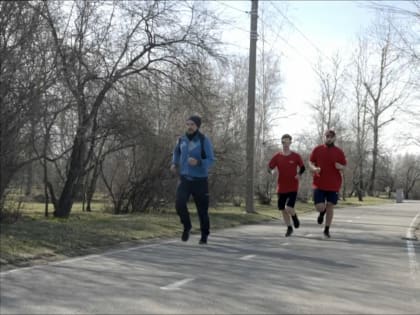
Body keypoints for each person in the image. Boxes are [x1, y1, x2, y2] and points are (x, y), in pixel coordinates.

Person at [170, 115, 215, 244]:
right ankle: (187, 226)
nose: (189, 127)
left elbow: (211, 159)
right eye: (188, 124)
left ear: (197, 126)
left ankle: (204, 235)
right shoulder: (181, 139)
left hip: (200, 180)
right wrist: (174, 163)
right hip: (185, 178)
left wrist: (199, 162)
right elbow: (176, 152)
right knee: (179, 204)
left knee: (202, 210)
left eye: (192, 125)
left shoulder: (203, 140)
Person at [308, 129, 347, 238]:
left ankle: (326, 229)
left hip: (334, 184)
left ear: (334, 138)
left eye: (331, 136)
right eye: (327, 136)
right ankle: (321, 212)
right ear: (324, 137)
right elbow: (310, 162)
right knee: (320, 207)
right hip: (319, 183)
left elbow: (344, 166)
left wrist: (341, 167)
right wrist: (314, 168)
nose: (329, 138)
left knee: (330, 206)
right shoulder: (317, 149)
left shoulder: (339, 152)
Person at [268, 134, 305, 237]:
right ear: (282, 143)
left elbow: (302, 167)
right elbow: (269, 167)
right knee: (282, 209)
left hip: (293, 186)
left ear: (290, 143)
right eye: (283, 142)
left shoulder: (296, 156)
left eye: (287, 142)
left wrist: (299, 174)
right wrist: (271, 172)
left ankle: (294, 217)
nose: (285, 144)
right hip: (281, 187)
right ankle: (289, 227)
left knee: (289, 207)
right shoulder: (277, 156)